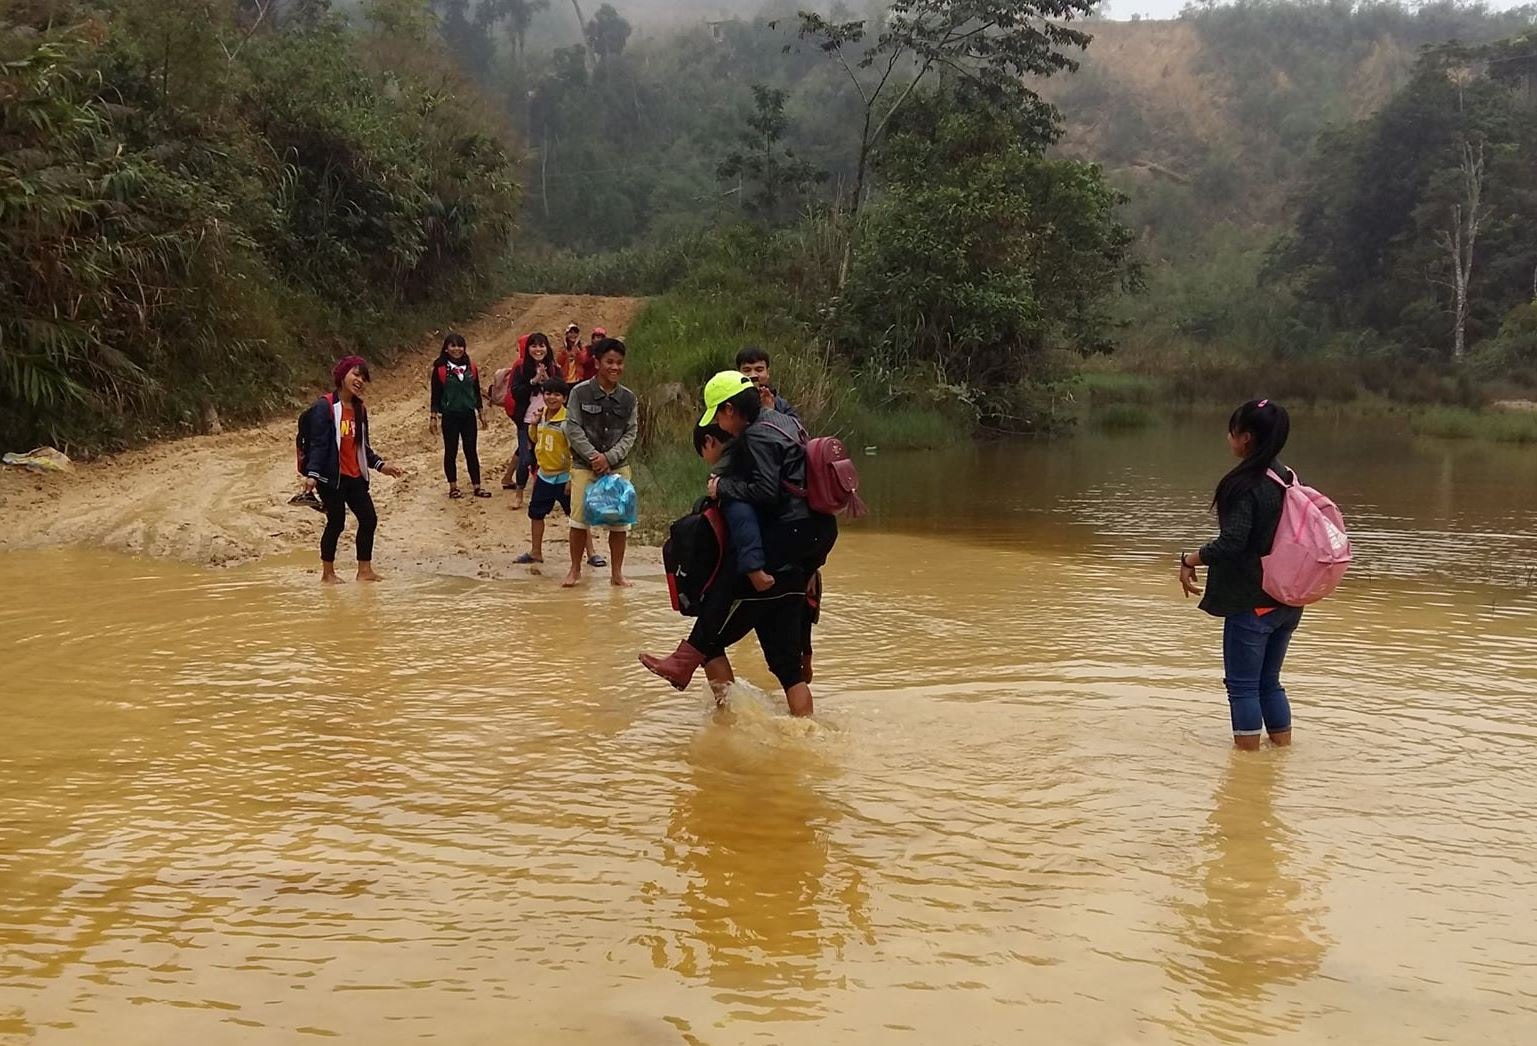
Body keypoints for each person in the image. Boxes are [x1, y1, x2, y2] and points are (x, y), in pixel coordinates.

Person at [640, 372, 830, 717]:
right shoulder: (786, 422)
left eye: (719, 417)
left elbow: (765, 493)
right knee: (789, 674)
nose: (720, 426)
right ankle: (807, 736)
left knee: (718, 620)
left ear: (730, 409)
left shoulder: (755, 437)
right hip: (808, 543)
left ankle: (724, 720)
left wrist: (721, 490)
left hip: (782, 539)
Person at [1177, 399, 1302, 751]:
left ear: (1245, 438)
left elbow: (1232, 543)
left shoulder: (1243, 485)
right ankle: (1280, 758)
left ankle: (1247, 770)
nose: (1228, 437)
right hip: (1288, 600)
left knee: (1243, 686)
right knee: (1270, 683)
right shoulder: (1287, 476)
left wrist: (1190, 558)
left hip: (1253, 602)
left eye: (1232, 430)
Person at [298, 356, 404, 583]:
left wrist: (380, 465)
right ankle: (328, 574)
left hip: (355, 476)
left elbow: (362, 446)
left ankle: (364, 571)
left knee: (369, 519)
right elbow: (319, 444)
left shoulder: (360, 408)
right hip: (331, 477)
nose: (360, 380)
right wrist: (312, 475)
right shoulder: (324, 406)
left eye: (363, 377)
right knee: (336, 523)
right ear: (342, 375)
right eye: (356, 374)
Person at [563, 337, 638, 587]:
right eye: (609, 362)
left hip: (618, 467)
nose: (615, 367)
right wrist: (595, 457)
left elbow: (631, 432)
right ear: (597, 363)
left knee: (620, 524)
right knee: (579, 519)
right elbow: (572, 428)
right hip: (584, 466)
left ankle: (617, 574)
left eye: (619, 363)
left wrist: (610, 457)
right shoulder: (579, 392)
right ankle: (575, 570)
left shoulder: (629, 398)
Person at [516, 378, 572, 568]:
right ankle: (536, 552)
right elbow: (534, 439)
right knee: (536, 514)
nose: (551, 397)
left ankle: (590, 554)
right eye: (548, 393)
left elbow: (575, 451)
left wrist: (572, 479)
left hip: (564, 476)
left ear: (564, 398)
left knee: (577, 517)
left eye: (557, 394)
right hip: (544, 475)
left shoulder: (568, 421)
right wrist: (533, 424)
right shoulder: (541, 416)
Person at [428, 332, 489, 499]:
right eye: (453, 345)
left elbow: (476, 391)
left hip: (468, 415)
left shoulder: (471, 367)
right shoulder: (440, 369)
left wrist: (481, 412)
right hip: (450, 416)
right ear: (446, 348)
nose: (457, 349)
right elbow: (435, 394)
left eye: (460, 345)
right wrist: (433, 416)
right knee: (451, 451)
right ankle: (453, 486)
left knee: (471, 451)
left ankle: (477, 486)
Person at [505, 332, 556, 509]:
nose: (538, 349)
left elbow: (563, 390)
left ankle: (541, 493)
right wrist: (534, 381)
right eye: (534, 346)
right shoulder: (520, 367)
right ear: (527, 349)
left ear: (547, 348)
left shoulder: (553, 367)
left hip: (548, 421)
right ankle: (519, 494)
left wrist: (548, 380)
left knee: (543, 457)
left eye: (541, 345)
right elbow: (516, 392)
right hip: (526, 420)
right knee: (525, 458)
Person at [735, 345, 799, 419]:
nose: (753, 375)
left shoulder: (781, 405)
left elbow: (794, 427)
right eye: (747, 370)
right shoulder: (732, 404)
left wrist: (770, 412)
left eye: (759, 370)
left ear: (767, 373)